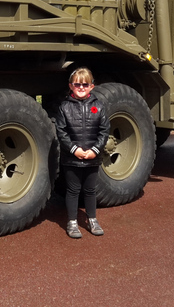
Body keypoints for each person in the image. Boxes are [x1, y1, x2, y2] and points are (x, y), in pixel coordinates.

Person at [54, 67, 109, 239]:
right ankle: (72, 222)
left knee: (90, 190)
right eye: (77, 84)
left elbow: (104, 131)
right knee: (73, 190)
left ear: (92, 86)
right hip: (72, 158)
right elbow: (61, 132)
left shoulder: (98, 107)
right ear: (71, 86)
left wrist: (94, 150)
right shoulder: (64, 107)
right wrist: (74, 150)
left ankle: (92, 219)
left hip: (93, 157)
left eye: (85, 84)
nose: (81, 87)